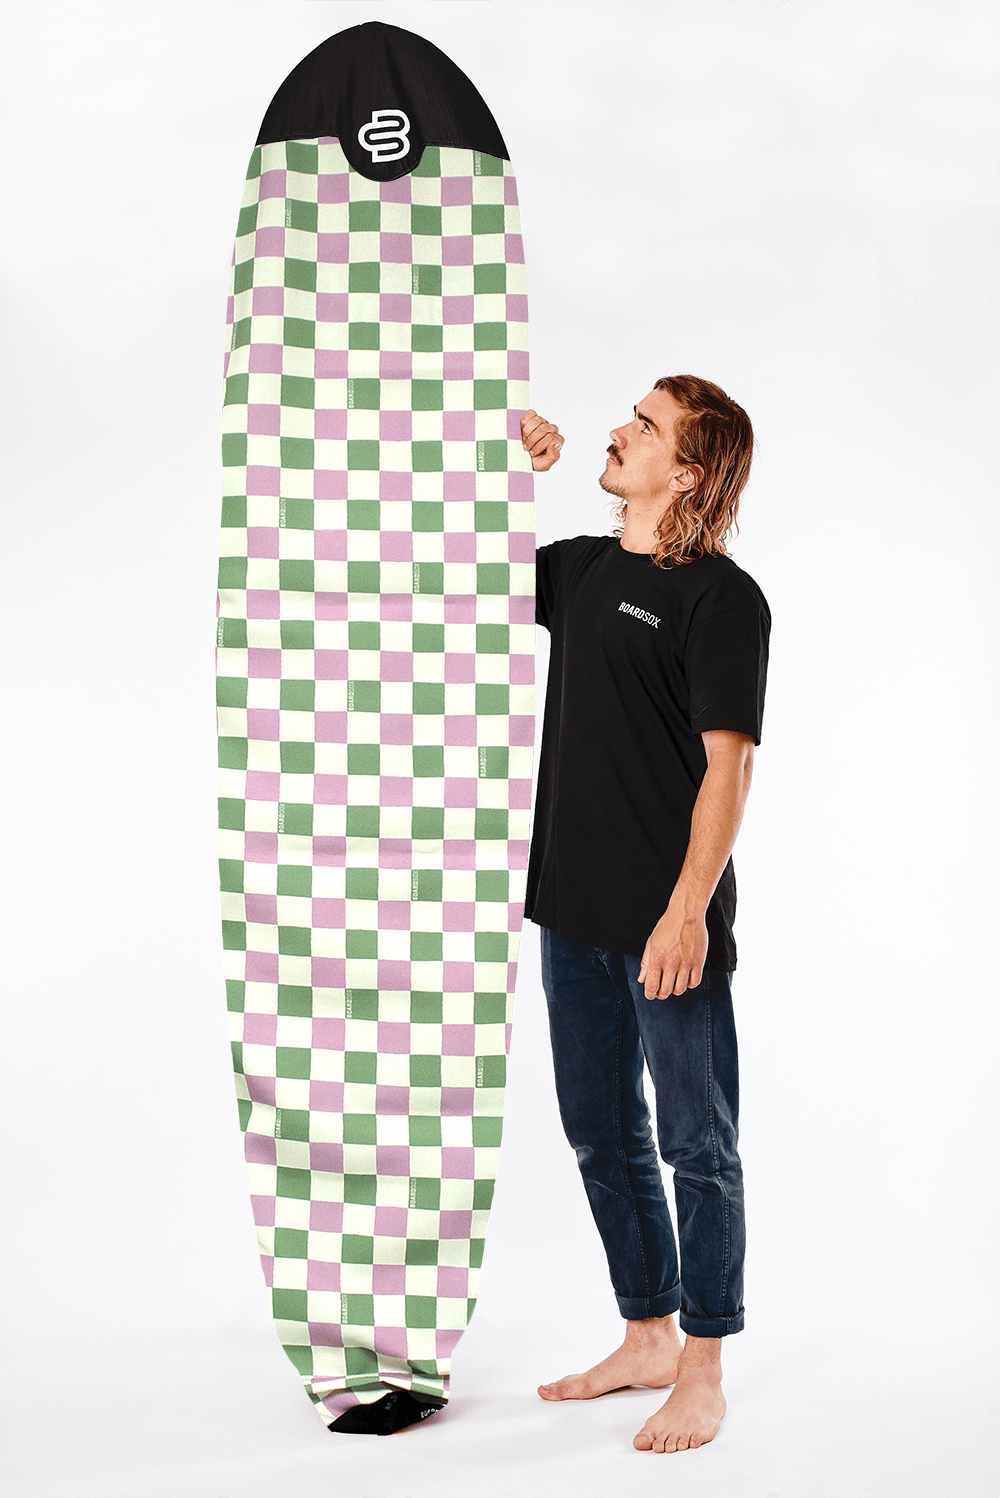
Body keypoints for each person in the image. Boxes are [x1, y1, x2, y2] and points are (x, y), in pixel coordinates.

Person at [520, 374, 771, 1455]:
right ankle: (647, 1334)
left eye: (646, 425)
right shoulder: (578, 571)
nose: (620, 431)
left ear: (690, 471)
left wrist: (687, 914)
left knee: (697, 1144)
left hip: (667, 925)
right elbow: (445, 568)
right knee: (600, 1132)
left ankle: (703, 1371)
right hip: (568, 912)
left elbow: (728, 770)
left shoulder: (722, 599)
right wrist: (504, 464)